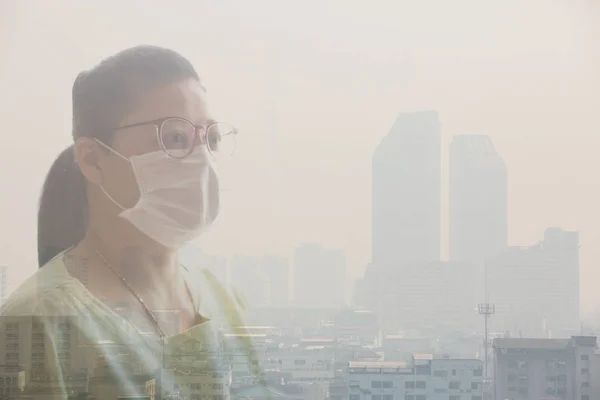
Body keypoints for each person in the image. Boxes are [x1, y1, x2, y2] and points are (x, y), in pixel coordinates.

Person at [0, 45, 260, 399]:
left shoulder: (221, 300)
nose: (201, 159)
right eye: (174, 137)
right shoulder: (37, 323)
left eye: (211, 138)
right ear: (93, 159)